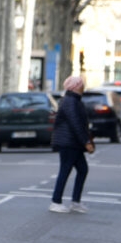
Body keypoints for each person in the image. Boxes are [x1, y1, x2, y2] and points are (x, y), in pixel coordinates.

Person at [49, 75, 95, 214]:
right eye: (81, 85)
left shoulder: (73, 100)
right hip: (68, 142)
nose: (83, 87)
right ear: (75, 86)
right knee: (65, 170)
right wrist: (86, 141)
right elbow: (76, 124)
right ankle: (56, 202)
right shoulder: (70, 101)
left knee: (82, 170)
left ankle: (75, 202)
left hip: (72, 142)